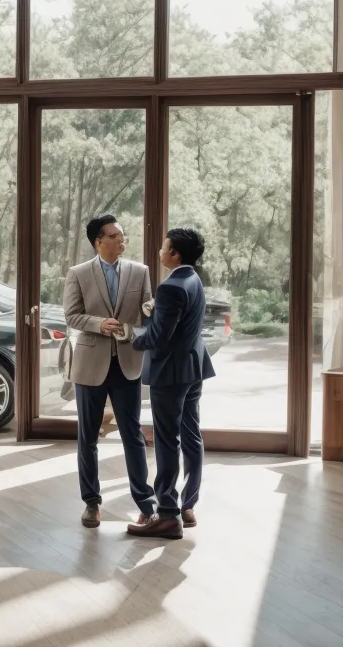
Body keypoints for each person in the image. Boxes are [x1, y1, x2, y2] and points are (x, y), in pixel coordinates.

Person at [62, 215, 155, 529]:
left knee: (133, 435)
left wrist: (135, 328)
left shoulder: (140, 272)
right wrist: (98, 324)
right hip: (90, 365)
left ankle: (145, 503)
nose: (121, 240)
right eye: (114, 236)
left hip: (128, 364)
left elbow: (146, 315)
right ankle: (91, 503)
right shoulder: (78, 274)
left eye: (123, 235)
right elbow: (72, 315)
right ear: (98, 241)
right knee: (88, 437)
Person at [126, 228, 215, 541]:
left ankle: (167, 514)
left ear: (175, 253)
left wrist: (130, 335)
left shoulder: (171, 287)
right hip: (193, 368)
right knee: (191, 436)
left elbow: (159, 339)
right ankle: (188, 505)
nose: (160, 251)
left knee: (167, 441)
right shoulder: (193, 279)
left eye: (164, 247)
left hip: (171, 374)